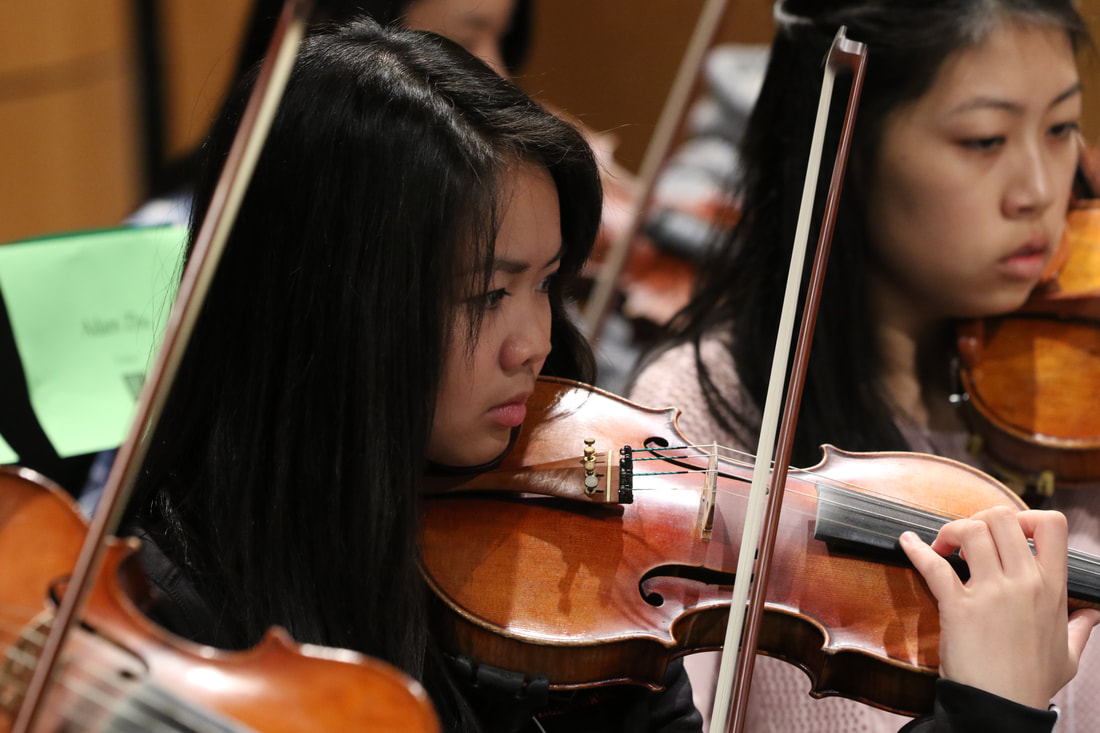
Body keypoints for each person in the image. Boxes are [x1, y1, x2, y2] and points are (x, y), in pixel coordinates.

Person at [119, 16, 1091, 733]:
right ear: (330, 304)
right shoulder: (176, 628)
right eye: (485, 294)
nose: (534, 343)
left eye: (547, 284)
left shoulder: (580, 560)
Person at [627, 0, 1100, 731]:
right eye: (984, 139)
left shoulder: (1083, 380)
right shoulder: (707, 414)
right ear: (849, 148)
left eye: (1062, 127)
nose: (1039, 191)